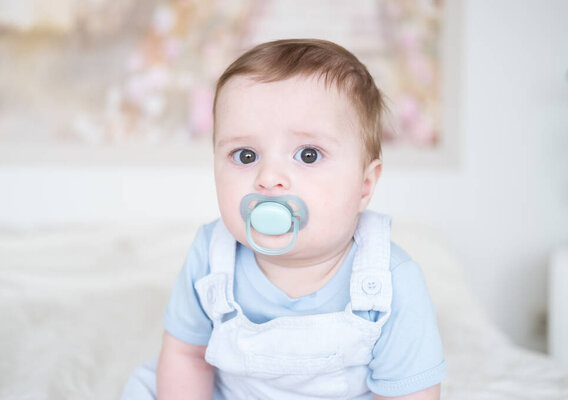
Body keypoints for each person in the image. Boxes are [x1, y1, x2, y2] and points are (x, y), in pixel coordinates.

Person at [121, 38, 445, 400]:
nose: (269, 177)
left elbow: (408, 392)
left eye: (308, 155)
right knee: (147, 385)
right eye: (245, 156)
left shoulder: (390, 281)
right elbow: (187, 355)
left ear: (364, 185)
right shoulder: (212, 258)